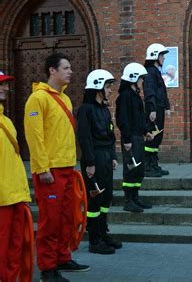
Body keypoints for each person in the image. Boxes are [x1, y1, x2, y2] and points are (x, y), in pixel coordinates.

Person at [24, 53, 89, 281]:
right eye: (66, 68)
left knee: (66, 219)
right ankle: (47, 268)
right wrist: (42, 169)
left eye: (70, 67)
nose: (70, 71)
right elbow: (34, 136)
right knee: (50, 221)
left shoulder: (66, 99)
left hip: (67, 168)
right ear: (52, 70)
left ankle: (62, 257)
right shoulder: (38, 99)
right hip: (50, 171)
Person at [76, 69, 123, 254]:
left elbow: (111, 135)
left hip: (104, 158)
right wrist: (90, 163)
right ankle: (94, 240)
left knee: (106, 197)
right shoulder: (85, 110)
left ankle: (103, 233)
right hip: (93, 159)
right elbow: (85, 138)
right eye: (108, 86)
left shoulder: (103, 109)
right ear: (97, 87)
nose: (110, 90)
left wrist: (112, 157)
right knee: (94, 201)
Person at [0, 71, 32, 281]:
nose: (6, 88)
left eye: (6, 85)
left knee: (14, 249)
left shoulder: (6, 121)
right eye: (1, 85)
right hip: (2, 197)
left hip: (15, 195)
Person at [116, 62, 153, 213]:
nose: (142, 81)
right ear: (133, 78)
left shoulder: (135, 96)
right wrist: (127, 140)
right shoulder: (124, 97)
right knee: (131, 169)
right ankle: (128, 201)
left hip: (138, 137)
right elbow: (123, 120)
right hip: (131, 139)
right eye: (140, 78)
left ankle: (135, 198)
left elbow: (139, 118)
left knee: (139, 169)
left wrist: (146, 132)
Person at [143, 43, 171, 177]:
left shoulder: (156, 72)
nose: (163, 58)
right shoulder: (149, 72)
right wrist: (152, 109)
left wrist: (167, 107)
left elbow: (162, 91)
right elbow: (150, 92)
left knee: (157, 137)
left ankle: (154, 165)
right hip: (154, 111)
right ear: (155, 56)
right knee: (152, 138)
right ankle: (148, 167)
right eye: (162, 56)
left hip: (159, 109)